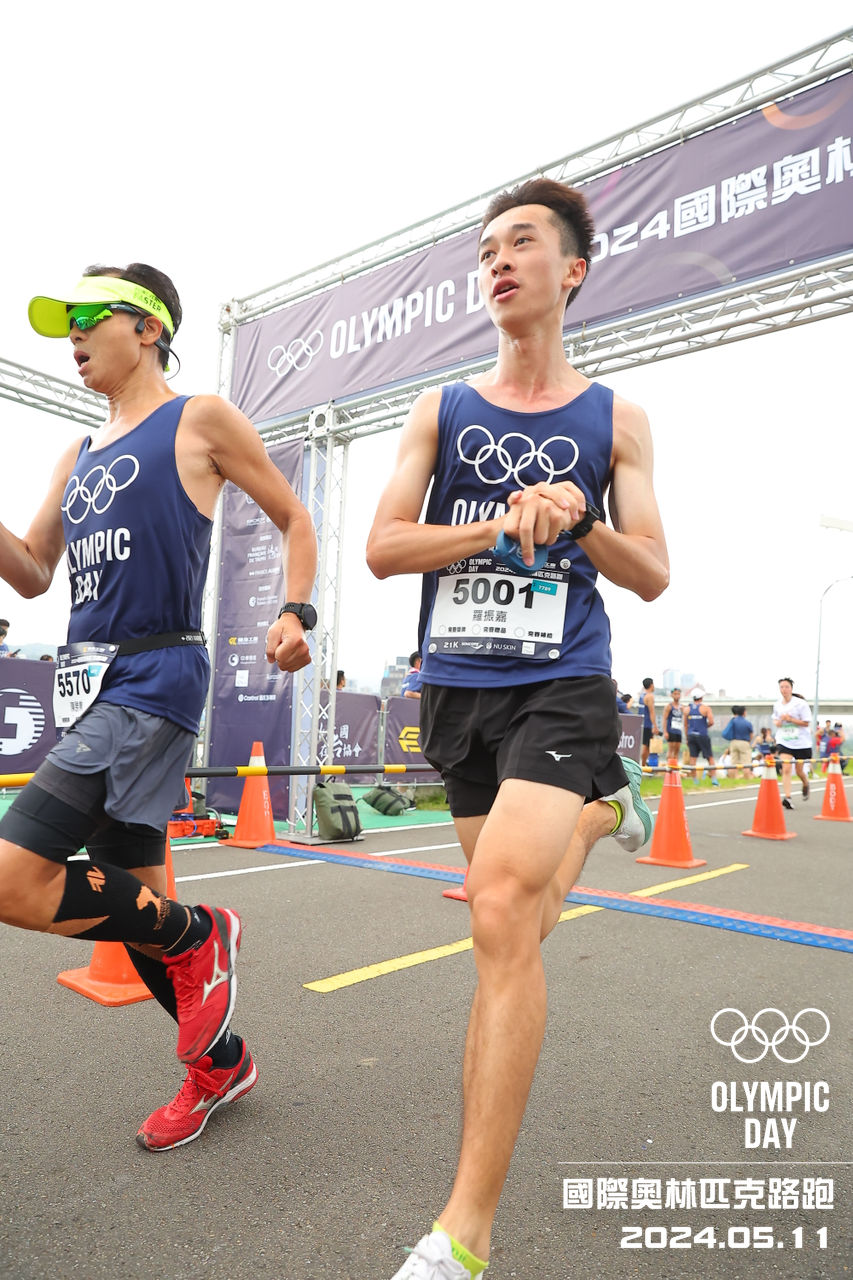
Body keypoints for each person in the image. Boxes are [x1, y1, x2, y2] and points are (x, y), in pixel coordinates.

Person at [368, 177, 668, 1280]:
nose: (497, 260)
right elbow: (384, 545)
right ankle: (598, 815)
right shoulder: (443, 408)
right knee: (519, 921)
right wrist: (496, 524)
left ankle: (465, 1231)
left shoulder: (614, 418)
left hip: (562, 681)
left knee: (497, 907)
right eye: (486, 248)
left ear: (572, 270)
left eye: (521, 243)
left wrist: (579, 523)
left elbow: (652, 571)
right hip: (459, 688)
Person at [0, 263, 317, 1153]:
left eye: (87, 318)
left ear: (146, 328)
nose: (72, 337)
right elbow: (33, 571)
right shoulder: (78, 453)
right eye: (63, 324)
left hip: (153, 676)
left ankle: (203, 933)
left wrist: (296, 611)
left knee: (13, 879)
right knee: (140, 919)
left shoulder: (198, 419)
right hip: (89, 682)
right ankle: (221, 1066)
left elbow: (294, 517)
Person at [772, 677, 813, 808]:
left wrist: (790, 719)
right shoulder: (777, 704)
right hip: (784, 740)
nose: (784, 689)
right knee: (786, 767)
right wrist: (779, 722)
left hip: (801, 742)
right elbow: (775, 720)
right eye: (781, 687)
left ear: (791, 688)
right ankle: (788, 797)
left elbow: (806, 722)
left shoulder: (801, 704)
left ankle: (805, 783)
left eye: (786, 687)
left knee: (799, 771)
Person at [685, 688, 719, 785]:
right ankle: (714, 780)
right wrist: (704, 726)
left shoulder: (687, 709)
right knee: (710, 758)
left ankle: (695, 781)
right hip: (702, 735)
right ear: (701, 697)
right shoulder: (706, 708)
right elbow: (711, 722)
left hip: (691, 735)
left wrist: (687, 737)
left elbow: (685, 725)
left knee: (693, 758)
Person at [721, 705, 754, 778]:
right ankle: (747, 777)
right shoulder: (747, 723)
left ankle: (733, 777)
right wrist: (749, 742)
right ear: (743, 712)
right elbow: (751, 734)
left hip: (734, 742)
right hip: (744, 742)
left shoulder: (733, 721)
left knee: (733, 762)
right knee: (746, 762)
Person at [663, 687, 684, 767]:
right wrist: (665, 731)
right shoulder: (669, 706)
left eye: (678, 694)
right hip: (671, 730)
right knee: (671, 750)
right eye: (675, 694)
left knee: (677, 750)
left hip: (678, 730)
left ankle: (675, 767)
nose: (677, 696)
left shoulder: (682, 707)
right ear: (672, 695)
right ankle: (669, 767)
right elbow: (664, 719)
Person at [640, 676, 658, 768]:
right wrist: (655, 726)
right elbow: (652, 712)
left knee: (646, 745)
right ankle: (643, 766)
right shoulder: (650, 696)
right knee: (646, 746)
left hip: (642, 723)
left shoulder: (641, 695)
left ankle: (644, 765)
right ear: (651, 685)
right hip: (647, 724)